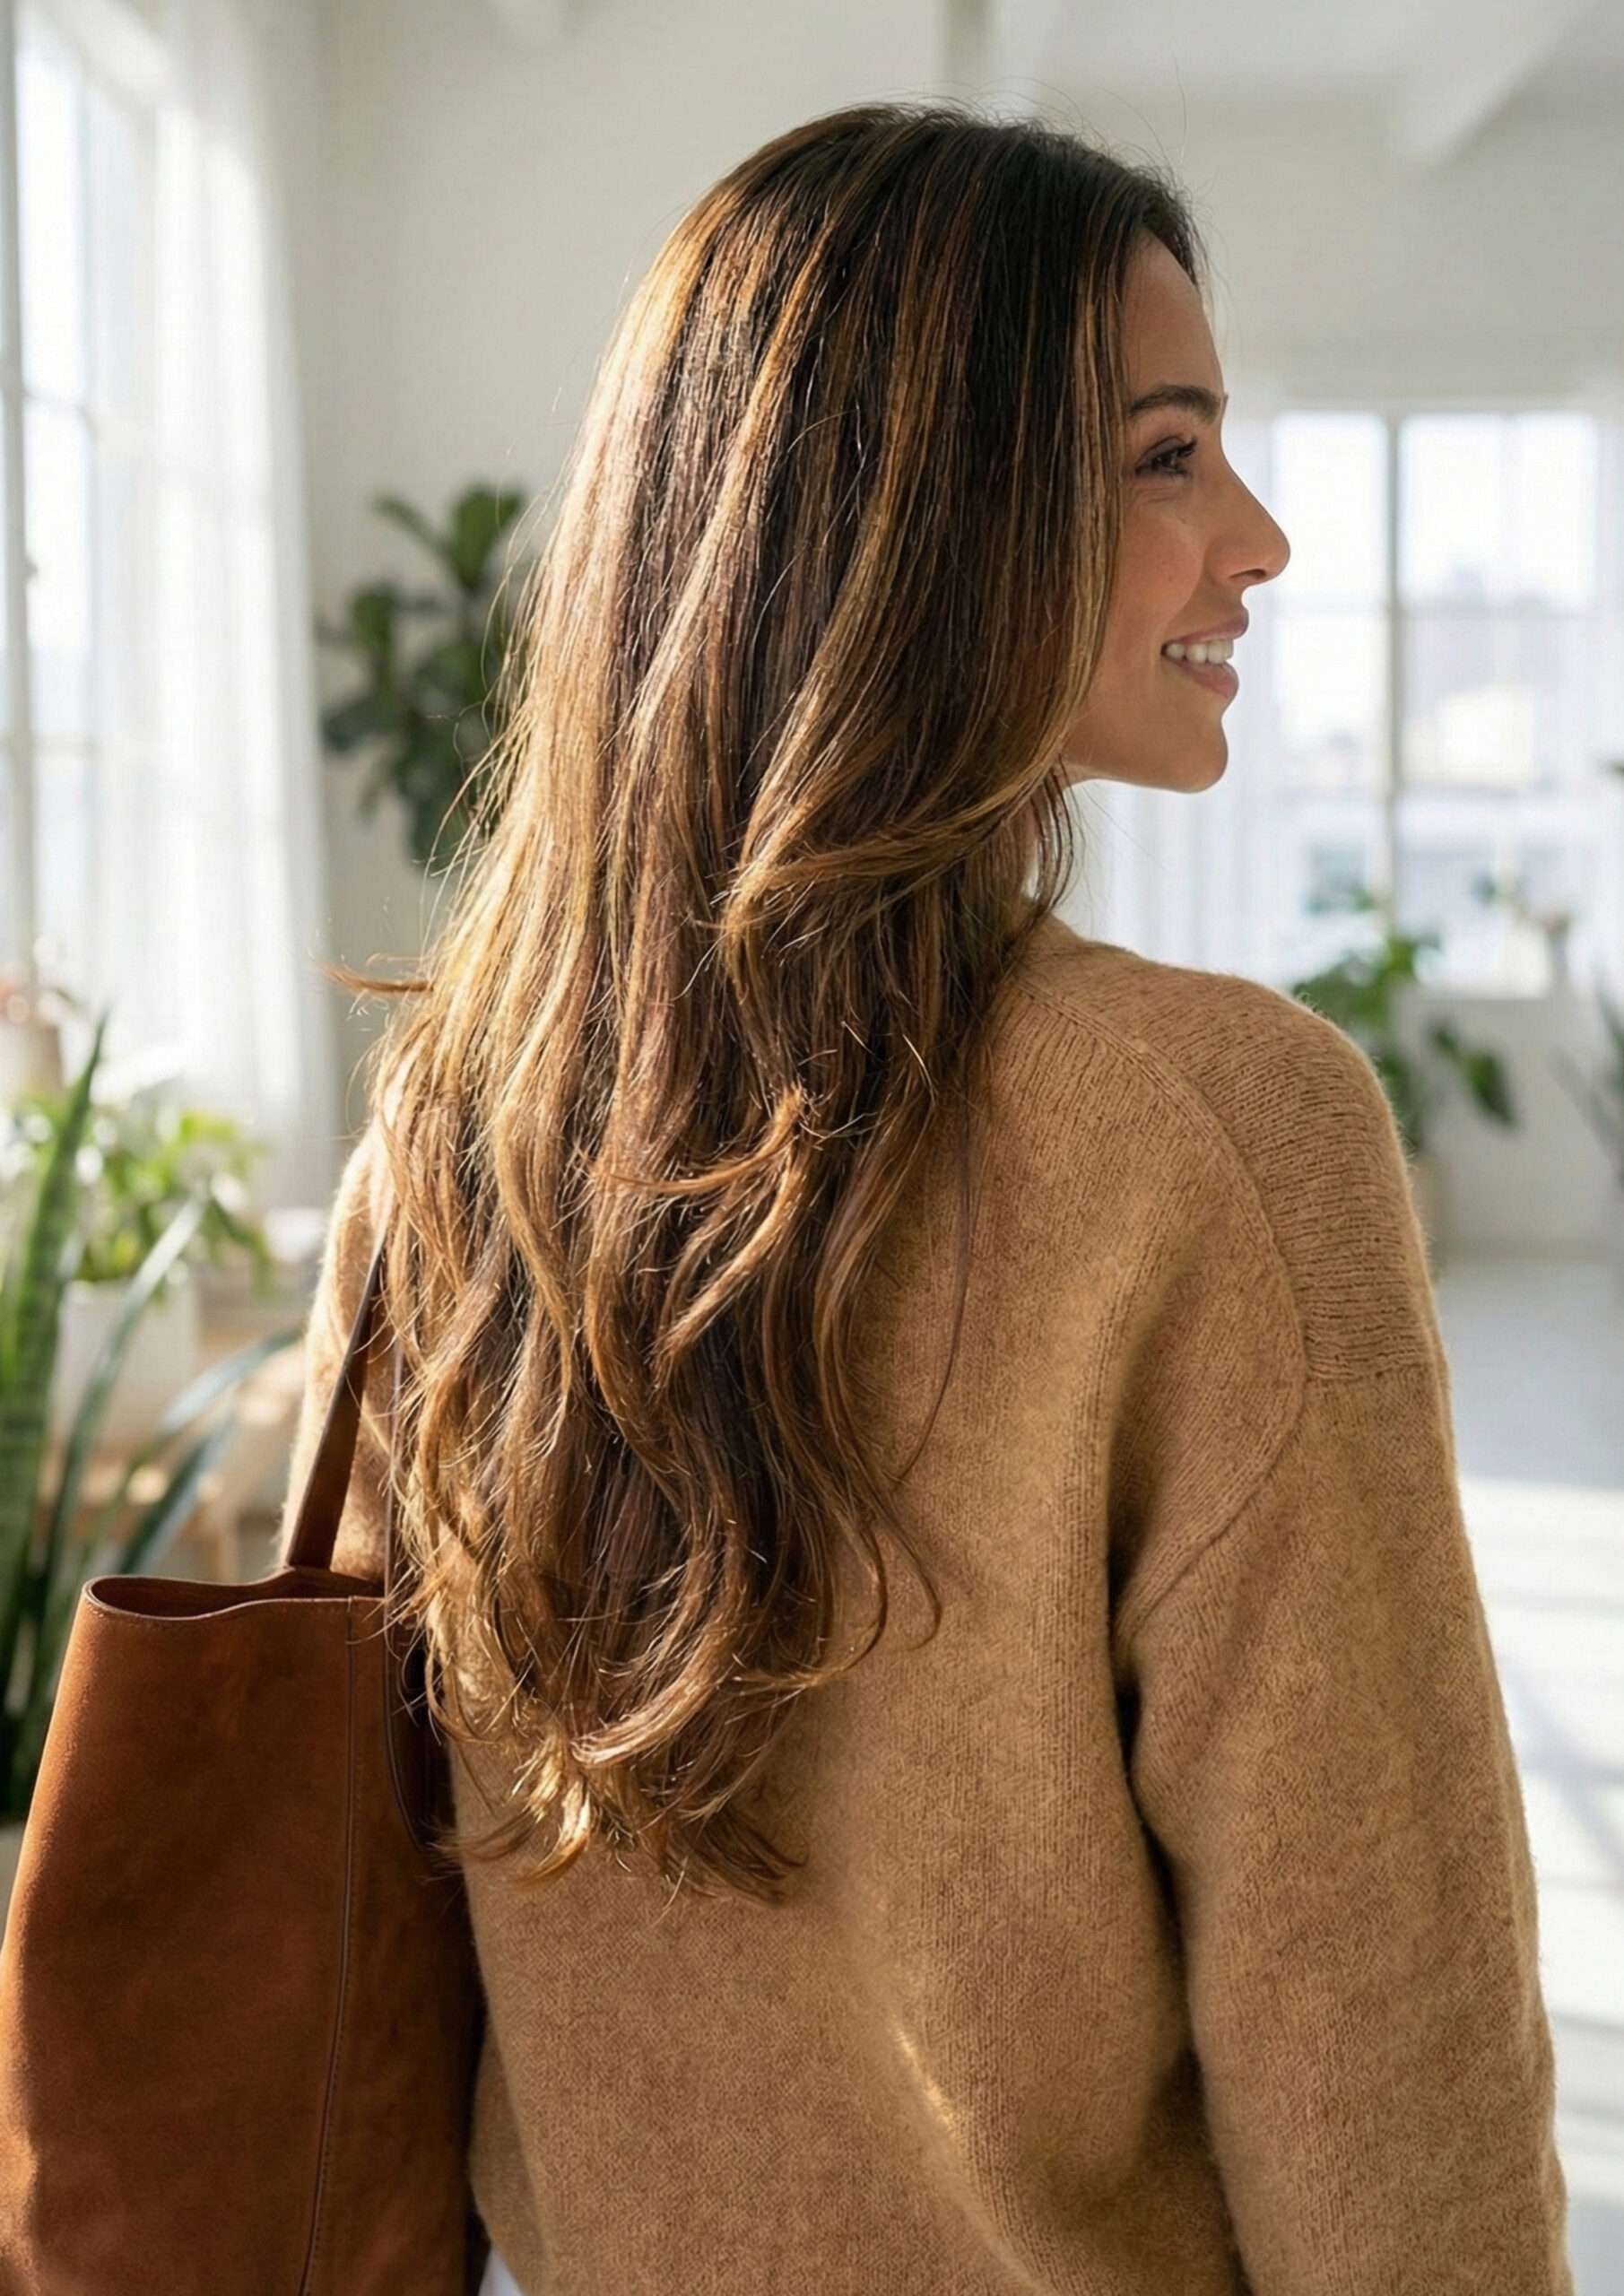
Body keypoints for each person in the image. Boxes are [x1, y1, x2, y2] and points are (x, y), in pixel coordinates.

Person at [281, 100, 1573, 2295]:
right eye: (1170, 456)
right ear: (932, 516)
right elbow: (1388, 2072)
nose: (1255, 538)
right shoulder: (1228, 1139)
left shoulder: (449, 1135)